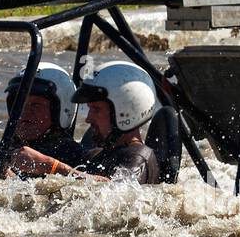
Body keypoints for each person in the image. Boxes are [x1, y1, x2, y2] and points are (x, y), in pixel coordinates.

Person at [12, 61, 162, 185]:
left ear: (126, 111)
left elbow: (115, 194)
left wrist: (49, 166)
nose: (88, 119)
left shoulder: (139, 157)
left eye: (96, 109)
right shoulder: (95, 155)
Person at [0, 62, 91, 178]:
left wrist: (51, 166)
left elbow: (103, 186)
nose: (24, 112)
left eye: (36, 105)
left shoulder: (72, 152)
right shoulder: (10, 143)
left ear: (60, 111)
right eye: (20, 104)